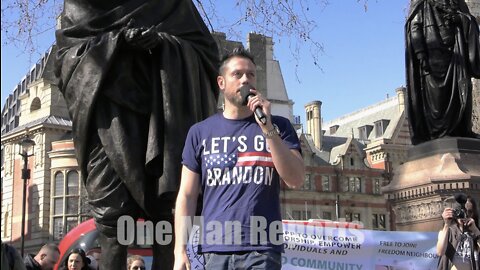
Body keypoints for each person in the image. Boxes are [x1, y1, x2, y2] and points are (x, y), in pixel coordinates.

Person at [54, 0, 219, 269]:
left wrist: (163, 44)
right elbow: (66, 58)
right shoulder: (82, 3)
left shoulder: (173, 4)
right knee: (112, 223)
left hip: (164, 121)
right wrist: (117, 42)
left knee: (165, 223)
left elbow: (207, 55)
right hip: (108, 120)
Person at [173, 47, 305, 270]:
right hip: (215, 251)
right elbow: (187, 195)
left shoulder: (279, 126)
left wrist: (267, 128)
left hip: (262, 249)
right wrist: (180, 250)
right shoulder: (200, 132)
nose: (246, 80)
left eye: (251, 74)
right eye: (238, 74)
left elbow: (296, 179)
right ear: (221, 83)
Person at [405, 0, 480, 145]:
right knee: (438, 98)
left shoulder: (456, 1)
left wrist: (460, 19)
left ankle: (463, 130)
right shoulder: (422, 2)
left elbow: (469, 20)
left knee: (463, 90)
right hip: (434, 57)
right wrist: (420, 52)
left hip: (457, 54)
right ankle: (438, 132)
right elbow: (415, 26)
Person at [437, 195, 480, 269]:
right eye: (461, 210)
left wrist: (475, 230)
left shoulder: (477, 231)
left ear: (474, 213)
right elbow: (440, 252)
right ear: (455, 212)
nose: (465, 214)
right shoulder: (448, 231)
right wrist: (447, 224)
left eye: (469, 211)